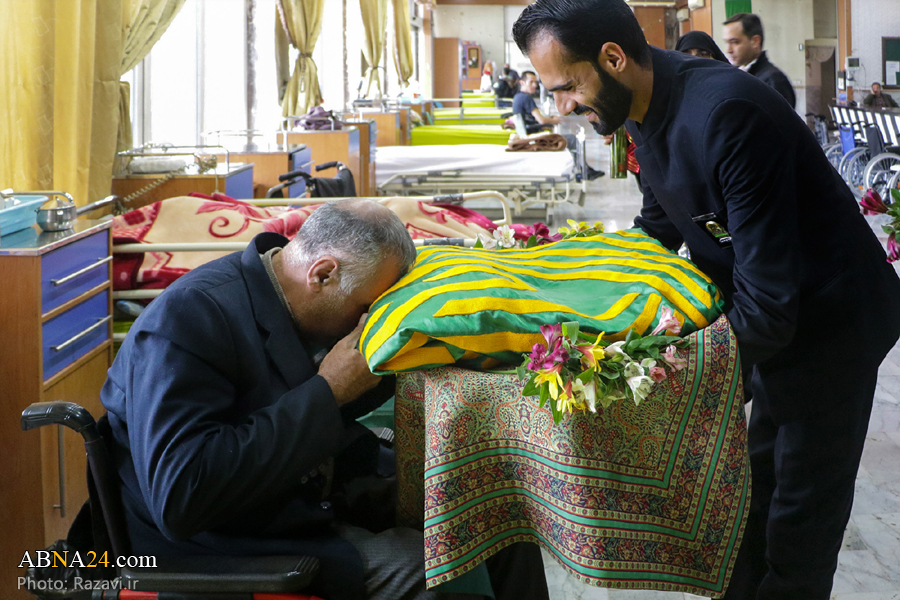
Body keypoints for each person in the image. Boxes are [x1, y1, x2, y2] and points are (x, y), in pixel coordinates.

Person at [512, 1, 900, 599]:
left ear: (613, 58)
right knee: (750, 494)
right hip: (768, 314)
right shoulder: (636, 108)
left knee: (800, 515)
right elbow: (657, 227)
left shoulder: (726, 115)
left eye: (567, 88)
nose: (562, 107)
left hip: (832, 322)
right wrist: (570, 282)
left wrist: (656, 373)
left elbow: (769, 304)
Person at [101, 199, 550, 600]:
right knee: (433, 567)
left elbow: (302, 399)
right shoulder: (191, 317)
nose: (367, 323)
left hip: (308, 490)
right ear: (323, 274)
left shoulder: (290, 303)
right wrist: (329, 389)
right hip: (226, 538)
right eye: (365, 309)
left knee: (495, 509)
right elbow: (182, 495)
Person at [513, 70, 604, 180]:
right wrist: (554, 121)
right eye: (531, 82)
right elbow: (541, 120)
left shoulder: (517, 97)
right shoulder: (526, 98)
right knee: (572, 140)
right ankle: (584, 171)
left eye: (535, 82)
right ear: (522, 83)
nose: (534, 85)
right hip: (534, 139)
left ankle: (582, 169)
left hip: (528, 136)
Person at [722, 13, 796, 108]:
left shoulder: (773, 80)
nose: (728, 50)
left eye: (735, 42)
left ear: (755, 41)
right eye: (727, 43)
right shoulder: (736, 76)